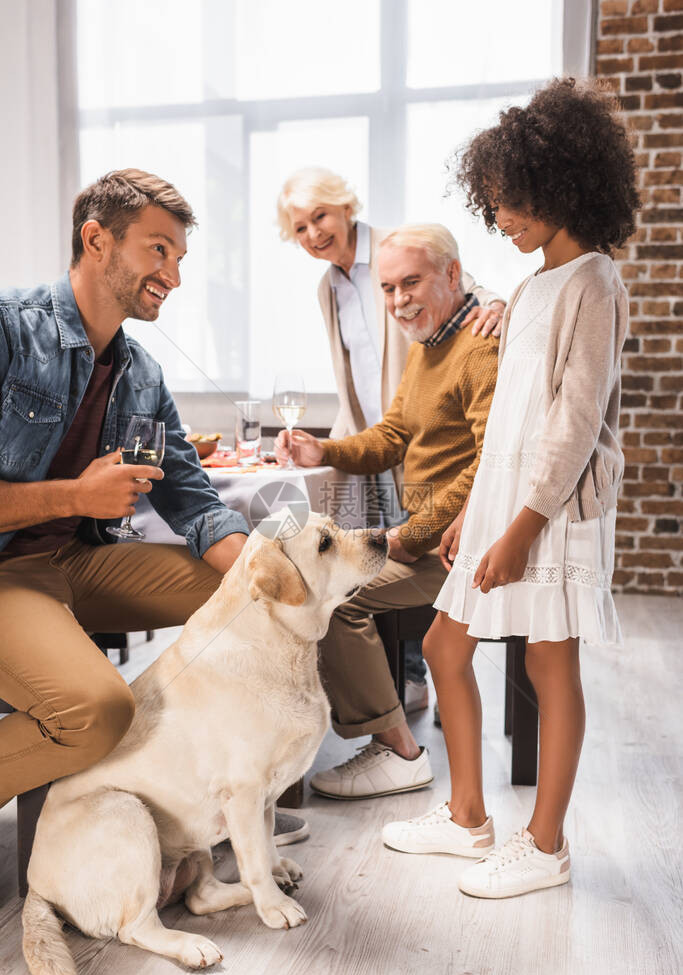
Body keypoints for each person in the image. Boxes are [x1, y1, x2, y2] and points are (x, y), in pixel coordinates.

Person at [382, 79, 640, 897]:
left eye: (512, 201)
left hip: (552, 511)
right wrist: (473, 513)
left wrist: (520, 527)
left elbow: (570, 422)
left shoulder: (595, 283)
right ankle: (466, 819)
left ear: (566, 185)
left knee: (547, 664)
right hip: (502, 501)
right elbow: (505, 424)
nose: (501, 219)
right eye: (491, 205)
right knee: (441, 646)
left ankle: (544, 845)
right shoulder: (526, 289)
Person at [0, 169, 305, 845]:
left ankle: (228, 790)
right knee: (97, 711)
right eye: (158, 249)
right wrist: (77, 495)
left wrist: (263, 569)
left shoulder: (140, 373)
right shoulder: (10, 331)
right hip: (8, 574)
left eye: (178, 257)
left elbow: (193, 501)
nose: (172, 274)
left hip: (79, 562)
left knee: (269, 599)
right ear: (96, 240)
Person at [275, 224, 499, 799]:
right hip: (429, 536)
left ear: (453, 274)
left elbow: (489, 468)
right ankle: (377, 733)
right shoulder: (429, 347)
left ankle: (398, 751)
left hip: (461, 545)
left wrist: (407, 538)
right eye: (389, 288)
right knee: (314, 581)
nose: (399, 301)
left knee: (328, 595)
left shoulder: (479, 347)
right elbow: (393, 434)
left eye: (411, 283)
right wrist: (321, 449)